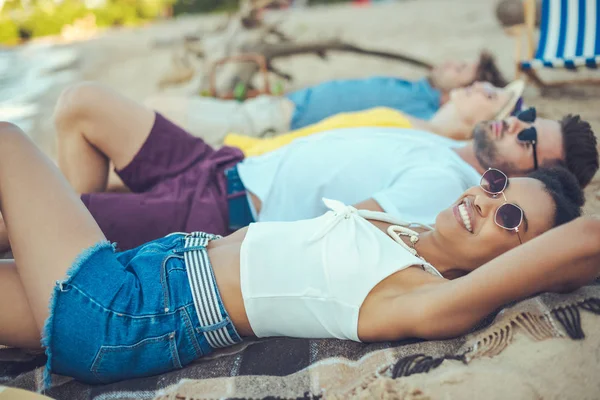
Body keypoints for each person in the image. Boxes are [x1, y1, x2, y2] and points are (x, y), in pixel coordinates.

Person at [1, 120, 598, 386]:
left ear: (508, 262)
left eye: (511, 218)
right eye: (496, 186)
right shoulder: (402, 225)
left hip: (133, 314)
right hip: (148, 271)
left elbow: (585, 240)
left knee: (7, 142)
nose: (487, 201)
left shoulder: (425, 296)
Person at [49, 83, 598, 251]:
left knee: (38, 214)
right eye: (525, 118)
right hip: (222, 163)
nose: (513, 124)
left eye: (527, 139)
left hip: (223, 207)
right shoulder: (440, 146)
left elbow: (343, 234)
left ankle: (71, 234)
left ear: (527, 178)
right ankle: (75, 236)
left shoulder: (446, 184)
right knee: (81, 105)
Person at [145, 51, 508, 144]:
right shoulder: (418, 88)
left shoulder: (425, 112)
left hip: (273, 124)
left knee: (156, 109)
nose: (450, 64)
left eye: (461, 70)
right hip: (274, 109)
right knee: (158, 117)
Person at [224, 80, 524, 156]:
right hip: (253, 149)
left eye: (490, 95)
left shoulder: (426, 142)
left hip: (253, 161)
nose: (480, 86)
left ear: (488, 123)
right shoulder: (421, 122)